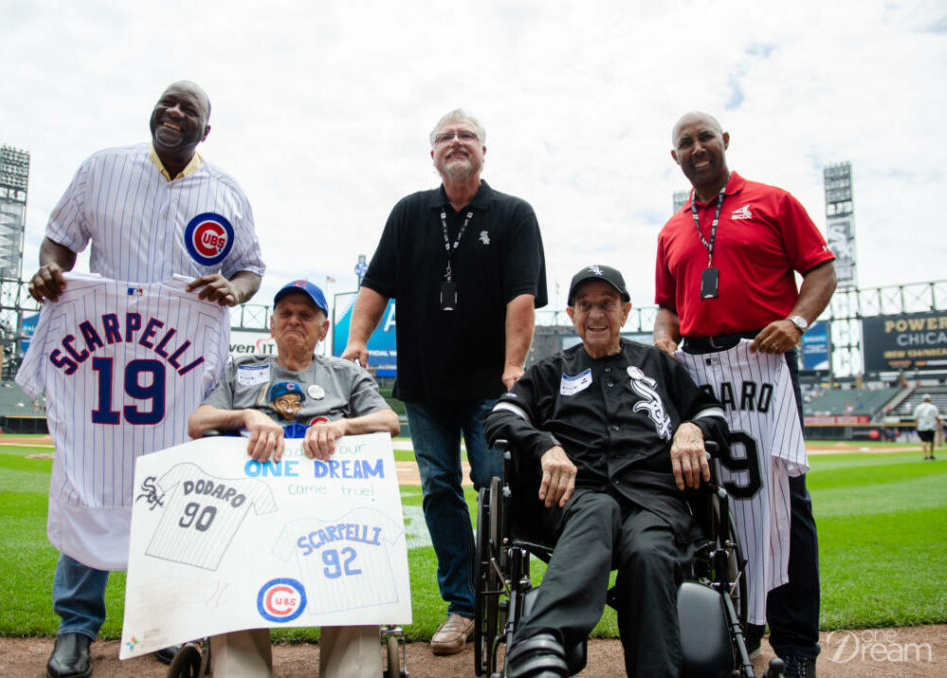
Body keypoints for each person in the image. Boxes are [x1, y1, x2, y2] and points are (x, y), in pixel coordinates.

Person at [27, 80, 265, 678]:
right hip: (102, 358)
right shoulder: (101, 169)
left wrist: (230, 290)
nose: (175, 112)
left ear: (204, 132)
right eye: (168, 101)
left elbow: (250, 270)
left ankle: (159, 623)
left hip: (179, 368)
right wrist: (51, 273)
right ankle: (76, 627)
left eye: (190, 109)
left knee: (176, 493)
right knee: (91, 475)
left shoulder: (226, 192)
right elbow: (58, 243)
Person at [341, 109, 548, 655]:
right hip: (426, 386)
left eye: (467, 136)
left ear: (484, 150)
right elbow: (376, 284)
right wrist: (356, 342)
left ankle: (506, 597)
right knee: (437, 489)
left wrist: (513, 368)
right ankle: (463, 605)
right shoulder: (410, 213)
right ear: (431, 154)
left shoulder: (513, 214)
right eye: (445, 138)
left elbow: (521, 297)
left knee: (494, 486)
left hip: (490, 387)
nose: (456, 143)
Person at [654, 111, 836, 677]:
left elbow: (822, 271)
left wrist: (798, 323)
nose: (697, 147)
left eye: (705, 136)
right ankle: (737, 631)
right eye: (685, 142)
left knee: (784, 499)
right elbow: (667, 304)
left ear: (725, 141)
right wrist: (663, 336)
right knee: (710, 504)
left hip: (763, 361)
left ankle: (797, 647)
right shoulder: (672, 228)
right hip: (700, 370)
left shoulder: (774, 202)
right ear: (675, 157)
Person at [484, 266, 729, 678]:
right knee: (598, 508)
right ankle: (542, 640)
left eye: (606, 304)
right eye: (585, 305)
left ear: (626, 311)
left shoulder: (658, 365)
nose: (595, 314)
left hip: (653, 499)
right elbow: (500, 417)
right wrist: (545, 446)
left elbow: (711, 411)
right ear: (571, 314)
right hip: (577, 497)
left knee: (649, 552)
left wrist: (693, 427)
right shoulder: (550, 371)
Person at [188, 279, 401, 678]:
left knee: (354, 572)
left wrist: (342, 427)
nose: (294, 321)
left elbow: (389, 421)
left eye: (306, 315)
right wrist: (248, 415)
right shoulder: (242, 371)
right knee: (233, 569)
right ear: (271, 325)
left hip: (332, 512)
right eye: (285, 313)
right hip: (251, 511)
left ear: (323, 328)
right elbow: (198, 422)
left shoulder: (345, 375)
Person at [914, 395, 940, 460]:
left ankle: (925, 455)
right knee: (931, 440)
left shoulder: (919, 407)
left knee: (924, 440)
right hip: (931, 425)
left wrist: (916, 425)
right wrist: (939, 422)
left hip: (921, 425)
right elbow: (936, 417)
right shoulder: (933, 407)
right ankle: (931, 455)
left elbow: (916, 417)